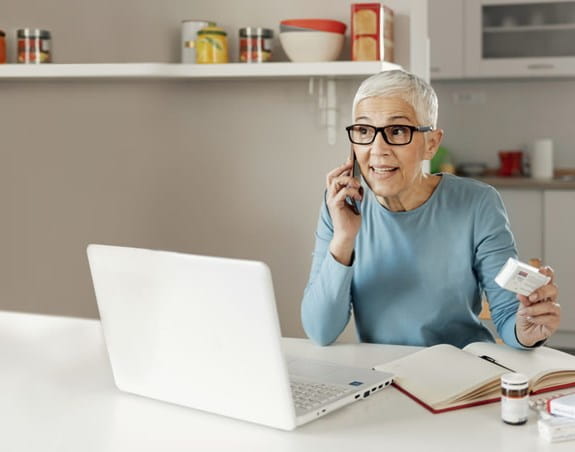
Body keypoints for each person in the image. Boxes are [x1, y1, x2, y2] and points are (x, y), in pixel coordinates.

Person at [301, 70, 560, 349]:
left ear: (432, 143)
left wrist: (527, 329)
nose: (377, 149)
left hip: (462, 375)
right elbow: (320, 330)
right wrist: (343, 239)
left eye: (397, 131)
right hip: (383, 377)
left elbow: (510, 317)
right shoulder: (340, 207)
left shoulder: (478, 203)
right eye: (364, 131)